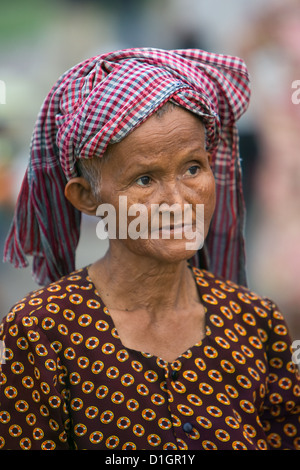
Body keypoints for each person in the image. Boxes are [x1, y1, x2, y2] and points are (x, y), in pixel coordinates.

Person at [0, 48, 299, 451]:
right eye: (144, 179)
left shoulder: (255, 323)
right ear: (87, 197)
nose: (178, 201)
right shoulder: (37, 335)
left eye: (193, 168)